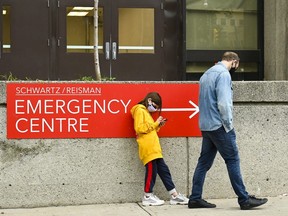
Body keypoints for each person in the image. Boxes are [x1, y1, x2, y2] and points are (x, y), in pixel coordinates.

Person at [188, 52, 268, 210]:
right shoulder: (223, 75)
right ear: (234, 62)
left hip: (206, 125)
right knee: (232, 160)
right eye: (237, 65)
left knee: (203, 163)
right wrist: (229, 125)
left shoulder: (206, 74)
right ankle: (244, 199)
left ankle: (195, 198)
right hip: (219, 126)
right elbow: (224, 104)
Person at [131, 92, 189, 206]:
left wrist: (158, 125)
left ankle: (174, 195)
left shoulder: (146, 112)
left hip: (154, 148)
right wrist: (155, 123)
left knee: (164, 171)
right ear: (149, 101)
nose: (155, 109)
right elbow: (139, 129)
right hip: (148, 148)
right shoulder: (139, 110)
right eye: (155, 106)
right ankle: (147, 196)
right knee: (151, 172)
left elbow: (149, 130)